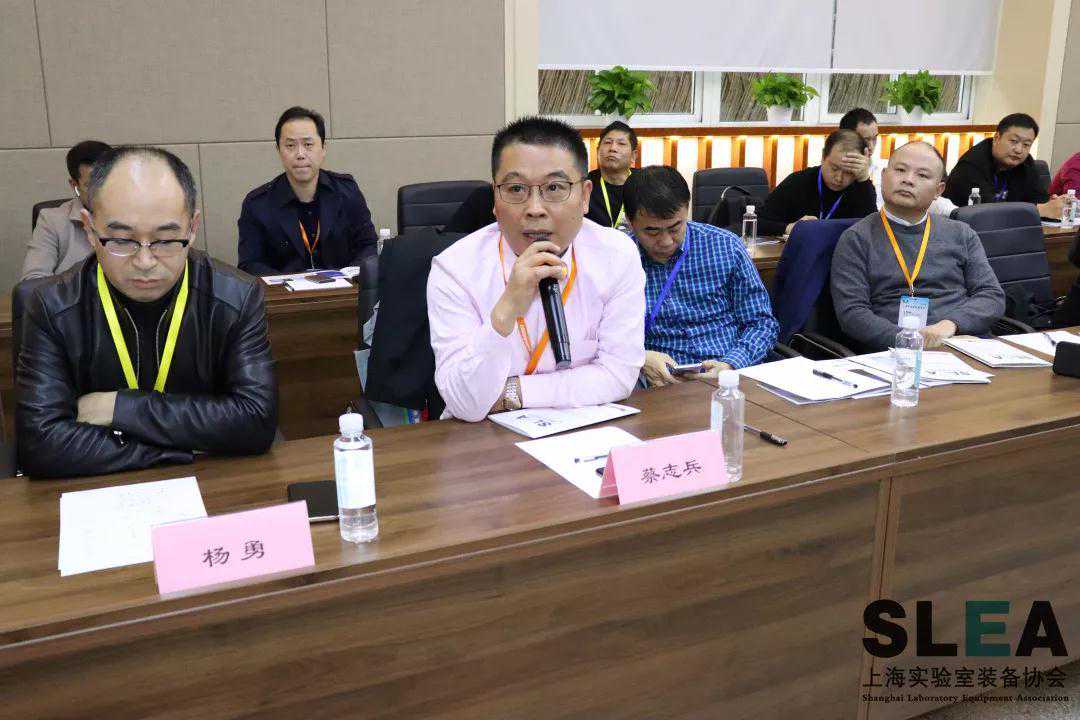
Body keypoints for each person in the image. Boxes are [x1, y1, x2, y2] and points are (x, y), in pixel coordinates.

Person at [17, 146, 278, 478]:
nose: (144, 261)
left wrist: (120, 408)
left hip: (211, 486)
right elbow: (40, 443)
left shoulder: (237, 297)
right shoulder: (51, 305)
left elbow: (256, 419)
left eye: (165, 240)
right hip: (95, 492)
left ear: (192, 228)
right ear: (89, 229)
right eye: (121, 240)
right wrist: (176, 448)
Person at [427, 117, 645, 422]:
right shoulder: (455, 269)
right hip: (480, 440)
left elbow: (619, 375)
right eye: (516, 188)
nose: (534, 209)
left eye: (554, 187)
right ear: (495, 199)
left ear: (585, 196)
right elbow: (465, 403)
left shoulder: (616, 255)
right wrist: (505, 311)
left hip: (583, 432)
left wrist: (514, 392)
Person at [831, 141, 1005, 352]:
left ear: (939, 190)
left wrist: (950, 325)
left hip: (961, 342)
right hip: (894, 352)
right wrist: (911, 340)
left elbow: (991, 295)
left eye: (922, 175)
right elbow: (852, 314)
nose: (908, 180)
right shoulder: (857, 238)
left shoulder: (961, 233)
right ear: (883, 176)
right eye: (900, 170)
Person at [624, 166, 778, 387]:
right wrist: (639, 358)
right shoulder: (616, 259)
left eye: (675, 227)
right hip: (656, 383)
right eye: (652, 231)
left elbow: (762, 323)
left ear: (686, 210)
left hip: (727, 377)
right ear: (630, 222)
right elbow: (594, 338)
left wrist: (730, 364)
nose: (666, 241)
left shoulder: (725, 246)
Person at [237, 106, 377, 275]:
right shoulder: (257, 205)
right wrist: (287, 284)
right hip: (284, 291)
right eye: (290, 145)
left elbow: (368, 246)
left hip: (344, 289)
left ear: (323, 148)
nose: (300, 154)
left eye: (308, 144)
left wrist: (350, 276)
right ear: (278, 151)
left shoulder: (347, 191)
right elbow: (249, 264)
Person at [943, 113, 1066, 218]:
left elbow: (1040, 199)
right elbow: (987, 211)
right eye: (1014, 141)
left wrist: (1052, 204)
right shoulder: (972, 164)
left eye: (1026, 144)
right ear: (996, 138)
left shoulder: (1025, 163)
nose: (1019, 150)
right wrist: (1038, 210)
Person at [758, 129, 878, 237]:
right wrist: (789, 228)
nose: (839, 178)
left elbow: (874, 233)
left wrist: (864, 179)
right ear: (823, 157)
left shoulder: (861, 188)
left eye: (848, 172)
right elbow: (757, 222)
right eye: (834, 168)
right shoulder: (798, 182)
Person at [838, 108, 956, 216]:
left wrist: (957, 213)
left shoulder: (889, 168)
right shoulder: (834, 172)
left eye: (874, 138)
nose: (871, 146)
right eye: (865, 140)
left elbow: (937, 203)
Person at [21, 140, 112, 281]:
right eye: (91, 185)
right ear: (74, 185)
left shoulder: (136, 215)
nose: (102, 192)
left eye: (107, 182)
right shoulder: (52, 220)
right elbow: (33, 281)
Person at [585, 120, 638, 229]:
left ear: (633, 156)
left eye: (621, 144)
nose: (613, 148)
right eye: (608, 142)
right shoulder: (584, 185)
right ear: (598, 151)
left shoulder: (646, 184)